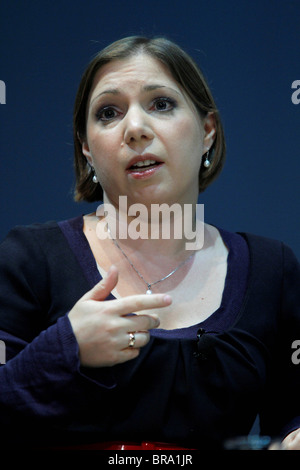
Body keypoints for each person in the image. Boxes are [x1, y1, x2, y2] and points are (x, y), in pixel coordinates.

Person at [0, 35, 299, 451]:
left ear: (208, 130)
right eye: (109, 113)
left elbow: (291, 417)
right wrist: (65, 347)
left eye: (161, 103)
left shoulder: (273, 269)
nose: (136, 129)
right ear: (87, 149)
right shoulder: (30, 259)